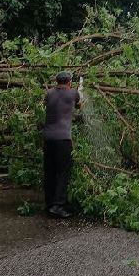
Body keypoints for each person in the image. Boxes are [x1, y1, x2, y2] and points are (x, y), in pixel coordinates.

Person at [43, 70, 81, 218]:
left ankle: (49, 204)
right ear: (69, 82)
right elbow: (79, 105)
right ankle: (58, 205)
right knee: (63, 172)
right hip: (63, 140)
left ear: (56, 81)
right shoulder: (73, 93)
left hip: (48, 138)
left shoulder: (49, 93)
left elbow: (47, 103)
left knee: (50, 172)